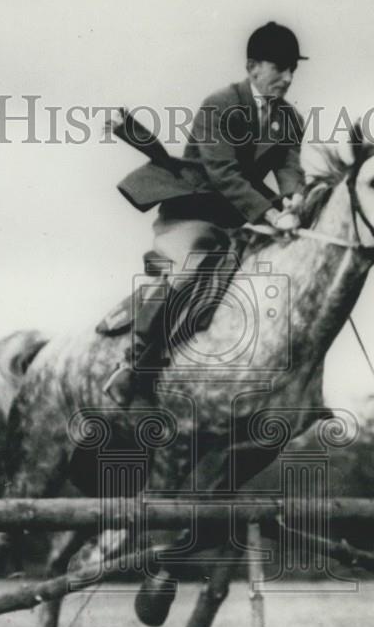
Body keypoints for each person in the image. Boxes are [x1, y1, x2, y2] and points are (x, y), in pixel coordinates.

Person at [103, 21, 308, 405]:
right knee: (190, 269)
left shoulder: (290, 119)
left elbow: (289, 168)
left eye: (293, 68)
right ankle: (132, 365)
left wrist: (294, 198)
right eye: (280, 67)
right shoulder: (221, 105)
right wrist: (273, 214)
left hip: (240, 222)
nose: (288, 77)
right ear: (253, 67)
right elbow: (224, 175)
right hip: (193, 213)